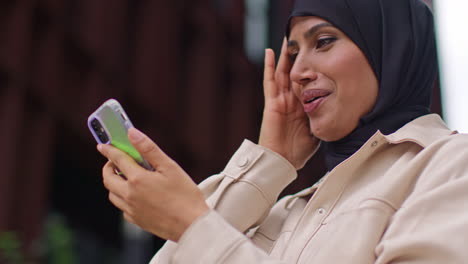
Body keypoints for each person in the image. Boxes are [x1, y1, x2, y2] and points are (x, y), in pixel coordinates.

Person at [97, 0, 468, 263]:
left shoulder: (450, 166)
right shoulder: (287, 209)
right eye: (293, 52)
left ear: (391, 50)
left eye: (323, 42)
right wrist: (268, 164)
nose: (297, 71)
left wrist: (194, 226)